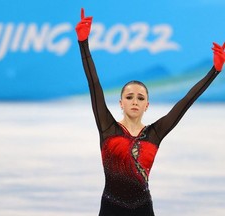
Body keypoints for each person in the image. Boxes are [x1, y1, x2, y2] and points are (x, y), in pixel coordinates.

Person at [75, 8, 225, 216]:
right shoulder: (108, 128)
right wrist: (83, 43)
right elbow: (94, 83)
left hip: (143, 209)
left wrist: (214, 71)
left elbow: (186, 101)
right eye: (129, 97)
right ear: (121, 103)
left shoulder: (154, 133)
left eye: (140, 98)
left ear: (147, 105)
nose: (134, 101)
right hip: (110, 208)